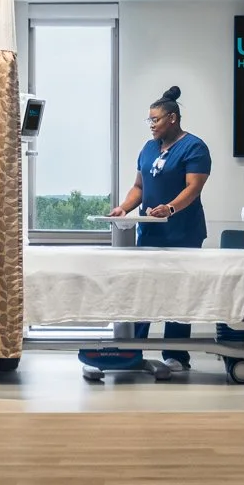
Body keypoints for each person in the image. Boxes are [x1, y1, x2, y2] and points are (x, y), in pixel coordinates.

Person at [80, 86, 212, 380]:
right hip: (150, 233)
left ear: (173, 119)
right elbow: (139, 187)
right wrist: (124, 209)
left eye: (156, 119)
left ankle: (176, 354)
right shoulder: (148, 148)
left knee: (178, 292)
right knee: (141, 288)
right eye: (149, 120)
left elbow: (193, 187)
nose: (151, 124)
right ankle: (131, 350)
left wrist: (170, 208)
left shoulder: (194, 148)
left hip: (184, 233)